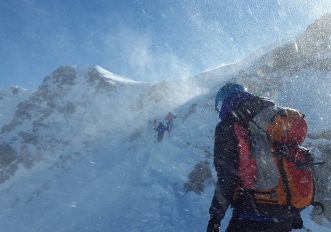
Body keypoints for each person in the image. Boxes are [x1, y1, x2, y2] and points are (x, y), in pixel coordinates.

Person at [207, 83, 304, 232]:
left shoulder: (229, 126)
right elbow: (288, 162)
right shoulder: (272, 115)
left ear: (225, 101)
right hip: (284, 215)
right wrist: (295, 211)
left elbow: (226, 176)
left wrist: (215, 217)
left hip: (252, 212)